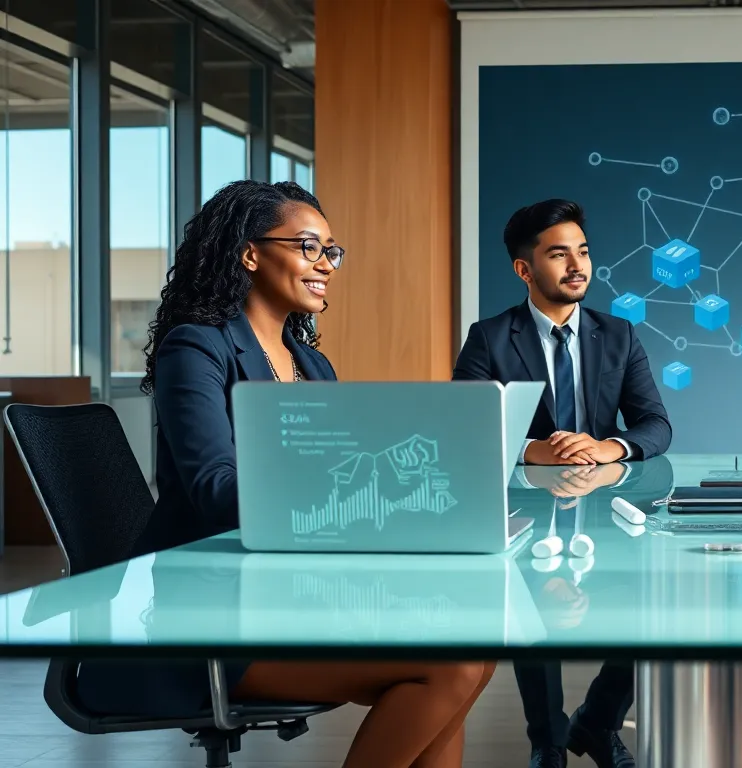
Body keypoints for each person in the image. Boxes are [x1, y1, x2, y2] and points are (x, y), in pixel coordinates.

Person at [75, 180, 494, 768]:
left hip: (295, 593)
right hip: (213, 616)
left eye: (330, 251)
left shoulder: (310, 363)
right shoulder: (195, 350)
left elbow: (341, 475)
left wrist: (408, 495)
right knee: (447, 667)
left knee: (474, 650)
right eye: (307, 246)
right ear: (250, 254)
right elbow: (216, 491)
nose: (325, 264)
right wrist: (354, 497)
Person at [453, 198, 672, 768]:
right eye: (559, 254)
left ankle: (597, 723)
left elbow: (656, 423)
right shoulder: (490, 338)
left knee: (653, 617)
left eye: (583, 251)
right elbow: (464, 426)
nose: (577, 265)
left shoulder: (618, 335)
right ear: (525, 269)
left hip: (608, 511)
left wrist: (608, 446)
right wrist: (532, 450)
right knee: (533, 616)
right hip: (526, 512)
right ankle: (547, 742)